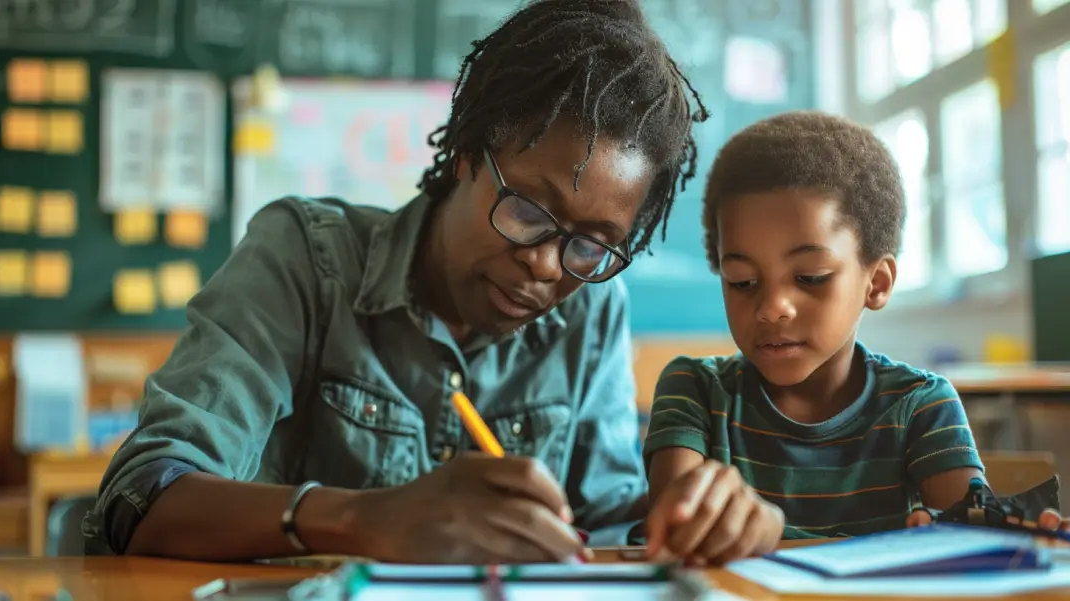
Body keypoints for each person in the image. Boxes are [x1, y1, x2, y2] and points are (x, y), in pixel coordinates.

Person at [83, 0, 708, 563]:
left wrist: (697, 523)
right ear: (467, 149)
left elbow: (604, 527)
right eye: (525, 211)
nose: (547, 265)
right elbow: (142, 497)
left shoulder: (590, 312)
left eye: (591, 245)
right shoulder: (306, 259)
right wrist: (363, 519)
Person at [640, 111, 1010, 565]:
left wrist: (1011, 528)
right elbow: (672, 531)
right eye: (741, 280)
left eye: (810, 277)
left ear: (875, 284)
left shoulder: (919, 404)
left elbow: (979, 539)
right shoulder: (695, 389)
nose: (773, 306)